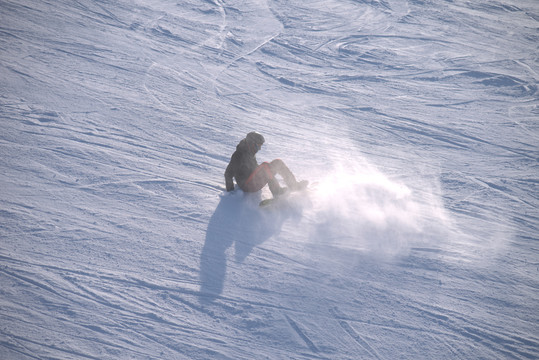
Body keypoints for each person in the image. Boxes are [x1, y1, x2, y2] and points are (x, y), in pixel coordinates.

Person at [225, 132, 307, 197]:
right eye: (258, 146)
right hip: (247, 185)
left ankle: (293, 185)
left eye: (260, 146)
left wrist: (268, 172)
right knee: (265, 165)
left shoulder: (249, 153)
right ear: (251, 143)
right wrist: (231, 193)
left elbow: (255, 169)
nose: (259, 149)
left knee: (277, 162)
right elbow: (228, 173)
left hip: (253, 180)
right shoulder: (238, 155)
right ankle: (277, 192)